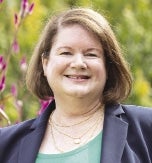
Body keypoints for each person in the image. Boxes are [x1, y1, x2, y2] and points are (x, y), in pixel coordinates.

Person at [0, 7, 152, 163]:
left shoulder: (146, 128)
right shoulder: (4, 144)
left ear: (108, 66)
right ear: (45, 64)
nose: (78, 63)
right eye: (66, 53)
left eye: (91, 54)